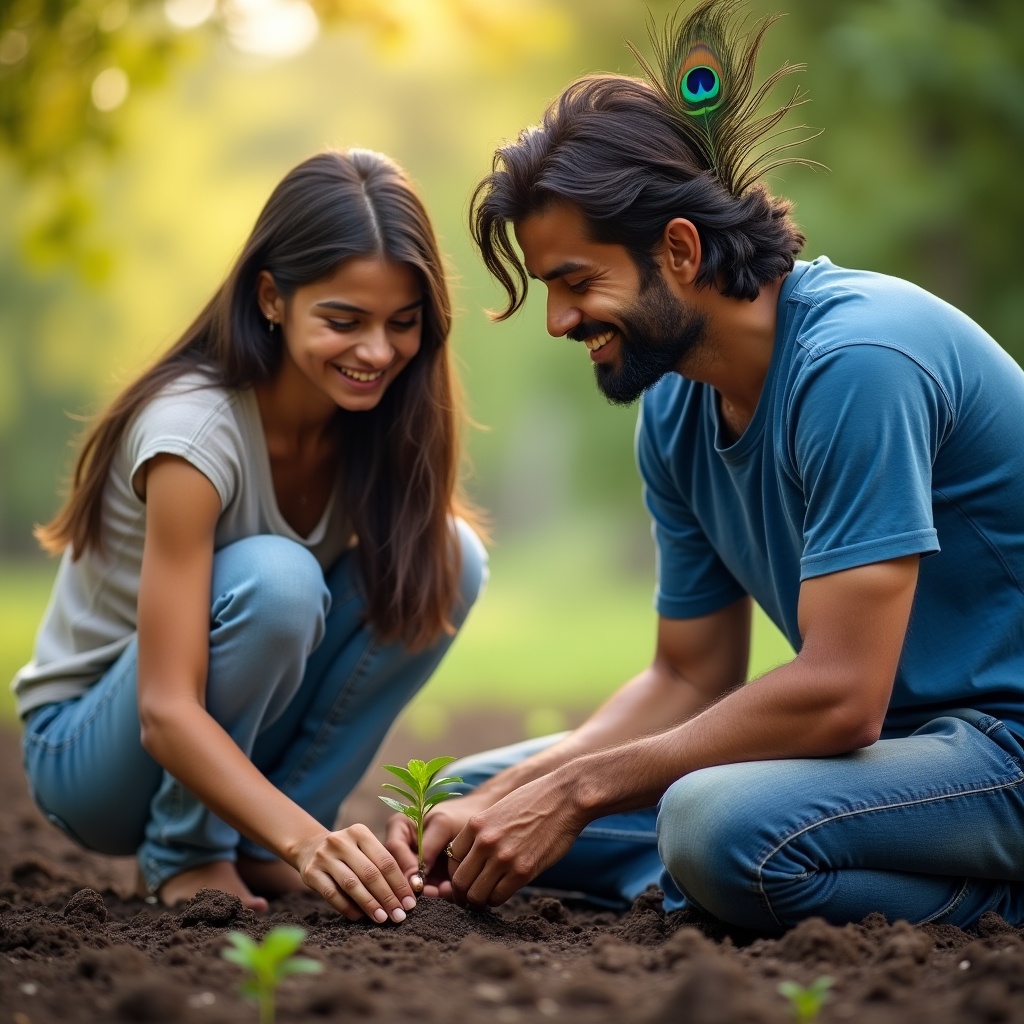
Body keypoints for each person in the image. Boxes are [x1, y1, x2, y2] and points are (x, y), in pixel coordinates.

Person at [386, 0, 1024, 933]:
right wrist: (531, 790)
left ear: (679, 251)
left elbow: (843, 697)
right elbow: (689, 673)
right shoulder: (676, 404)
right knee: (472, 801)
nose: (559, 321)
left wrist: (576, 796)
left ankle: (943, 898)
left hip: (1000, 750)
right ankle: (721, 875)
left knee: (709, 820)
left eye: (575, 281)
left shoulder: (859, 364)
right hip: (900, 760)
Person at [14, 148, 488, 921]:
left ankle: (264, 846)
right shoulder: (193, 434)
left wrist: (295, 835)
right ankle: (188, 849)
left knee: (448, 558)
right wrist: (314, 842)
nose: (377, 353)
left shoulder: (371, 422)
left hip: (225, 739)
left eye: (402, 325)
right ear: (272, 297)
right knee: (278, 580)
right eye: (344, 320)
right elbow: (166, 709)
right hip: (94, 755)